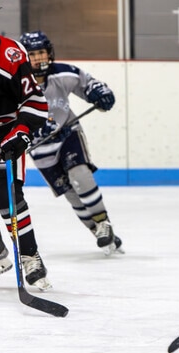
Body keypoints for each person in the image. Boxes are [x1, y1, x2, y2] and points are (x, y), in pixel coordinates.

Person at [0, 0, 51, 289]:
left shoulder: (9, 54)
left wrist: (22, 130)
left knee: (5, 194)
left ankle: (29, 255)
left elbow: (35, 101)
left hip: (2, 133)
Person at [19, 30, 123, 255]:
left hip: (67, 133)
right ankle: (98, 231)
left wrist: (99, 93)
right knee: (69, 193)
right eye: (33, 54)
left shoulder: (62, 73)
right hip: (39, 146)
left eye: (42, 52)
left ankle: (104, 222)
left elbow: (88, 84)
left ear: (49, 53)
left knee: (80, 174)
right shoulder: (15, 83)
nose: (38, 58)